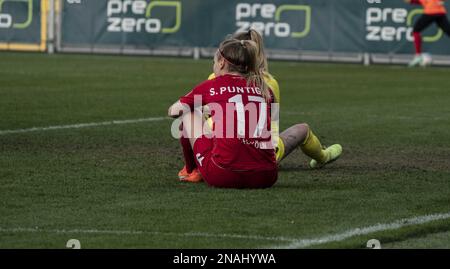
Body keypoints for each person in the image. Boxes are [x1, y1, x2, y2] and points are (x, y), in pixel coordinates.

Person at [177, 29, 342, 183]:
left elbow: (206, 114)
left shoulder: (215, 78)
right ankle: (323, 156)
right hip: (266, 154)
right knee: (302, 129)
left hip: (223, 152)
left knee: (192, 115)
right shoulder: (268, 83)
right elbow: (272, 120)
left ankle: (193, 168)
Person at [168, 39, 278, 188]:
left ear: (221, 63)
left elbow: (173, 111)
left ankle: (191, 170)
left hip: (224, 174)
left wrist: (203, 108)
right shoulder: (265, 89)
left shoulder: (212, 85)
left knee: (189, 112)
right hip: (267, 176)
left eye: (214, 61)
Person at [405, 0, 450, 66]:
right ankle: (418, 56)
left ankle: (418, 56)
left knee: (416, 31)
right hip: (440, 12)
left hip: (431, 11)